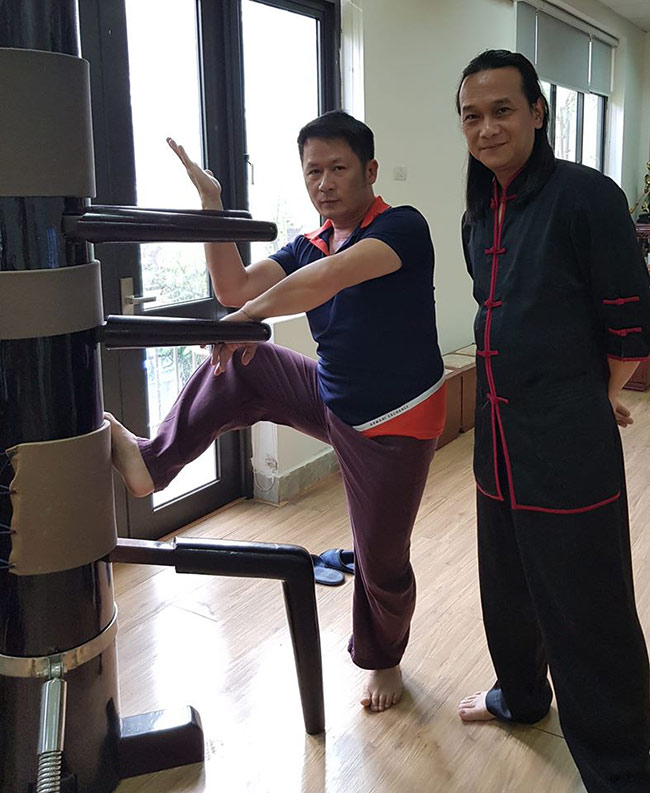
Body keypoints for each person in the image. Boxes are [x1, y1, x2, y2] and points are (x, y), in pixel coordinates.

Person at [107, 110, 446, 712]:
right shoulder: (309, 242)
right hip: (333, 396)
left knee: (382, 562)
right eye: (313, 171)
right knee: (248, 362)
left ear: (369, 170)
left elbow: (326, 280)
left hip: (394, 422)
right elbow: (234, 290)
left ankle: (383, 659)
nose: (325, 183)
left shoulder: (401, 228)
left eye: (338, 168)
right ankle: (151, 463)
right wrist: (212, 205)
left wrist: (243, 320)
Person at [454, 49, 650, 791]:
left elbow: (631, 326)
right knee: (506, 587)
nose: (487, 127)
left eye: (503, 110)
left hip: (568, 444)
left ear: (538, 112)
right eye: (472, 115)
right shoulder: (479, 211)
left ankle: (624, 766)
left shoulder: (586, 196)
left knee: (587, 608)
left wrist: (596, 393)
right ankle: (521, 696)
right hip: (497, 441)